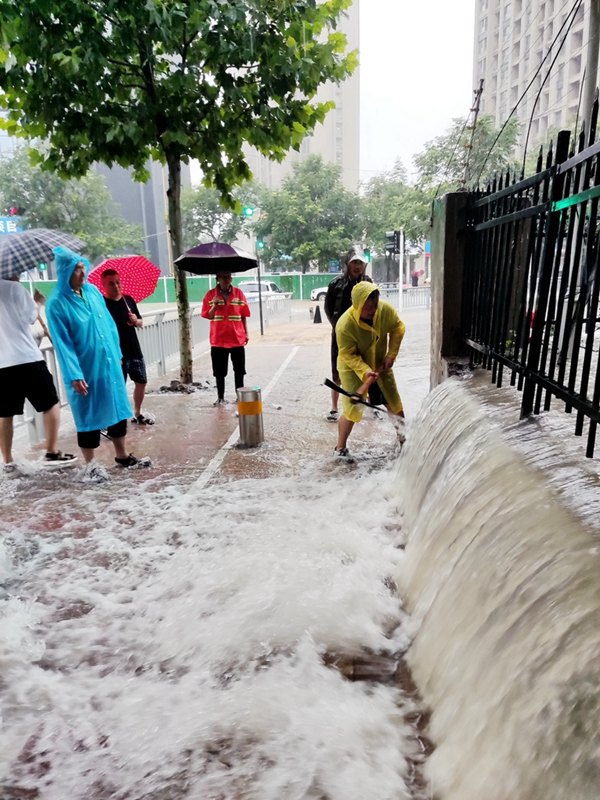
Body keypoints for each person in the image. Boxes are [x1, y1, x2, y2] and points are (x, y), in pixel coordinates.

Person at [46, 247, 150, 481]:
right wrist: (74, 373)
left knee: (116, 408)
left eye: (83, 267)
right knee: (88, 413)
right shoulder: (57, 303)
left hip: (109, 363)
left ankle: (122, 455)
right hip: (85, 368)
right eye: (76, 270)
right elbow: (63, 344)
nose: (83, 274)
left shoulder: (92, 292)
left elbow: (110, 327)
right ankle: (91, 464)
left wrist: (118, 353)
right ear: (64, 273)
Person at [0, 274, 76, 472]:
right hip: (27, 358)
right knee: (50, 404)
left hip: (3, 364)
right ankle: (51, 451)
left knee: (6, 413)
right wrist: (38, 302)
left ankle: (8, 460)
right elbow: (30, 317)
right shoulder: (14, 288)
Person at [334, 282, 405, 462]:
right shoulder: (345, 325)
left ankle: (404, 441)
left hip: (380, 362)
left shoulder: (384, 310)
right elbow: (348, 355)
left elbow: (398, 327)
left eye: (375, 305)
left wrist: (391, 354)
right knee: (352, 408)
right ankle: (340, 448)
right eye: (368, 308)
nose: (373, 311)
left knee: (393, 401)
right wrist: (365, 371)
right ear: (357, 305)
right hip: (352, 367)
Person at [324, 244, 372, 422]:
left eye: (360, 262)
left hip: (363, 333)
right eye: (354, 262)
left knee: (366, 368)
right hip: (340, 335)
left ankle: (367, 404)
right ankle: (335, 408)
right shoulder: (335, 284)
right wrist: (338, 328)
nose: (357, 266)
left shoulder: (368, 283)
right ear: (347, 263)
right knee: (337, 371)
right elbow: (328, 308)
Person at [101, 268, 154, 426]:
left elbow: (140, 322)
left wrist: (135, 319)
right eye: (111, 283)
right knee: (118, 386)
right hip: (117, 353)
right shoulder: (102, 305)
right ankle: (115, 417)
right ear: (104, 285)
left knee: (141, 381)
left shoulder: (128, 300)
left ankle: (137, 412)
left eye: (118, 282)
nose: (116, 286)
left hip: (133, 348)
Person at [201, 269, 250, 405]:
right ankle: (220, 397)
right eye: (223, 277)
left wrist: (246, 332)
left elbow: (243, 315)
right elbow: (208, 316)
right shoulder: (210, 295)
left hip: (236, 338)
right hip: (218, 340)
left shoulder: (239, 294)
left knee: (239, 370)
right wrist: (215, 305)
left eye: (228, 277)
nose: (226, 279)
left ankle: (239, 395)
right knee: (219, 372)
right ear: (218, 279)